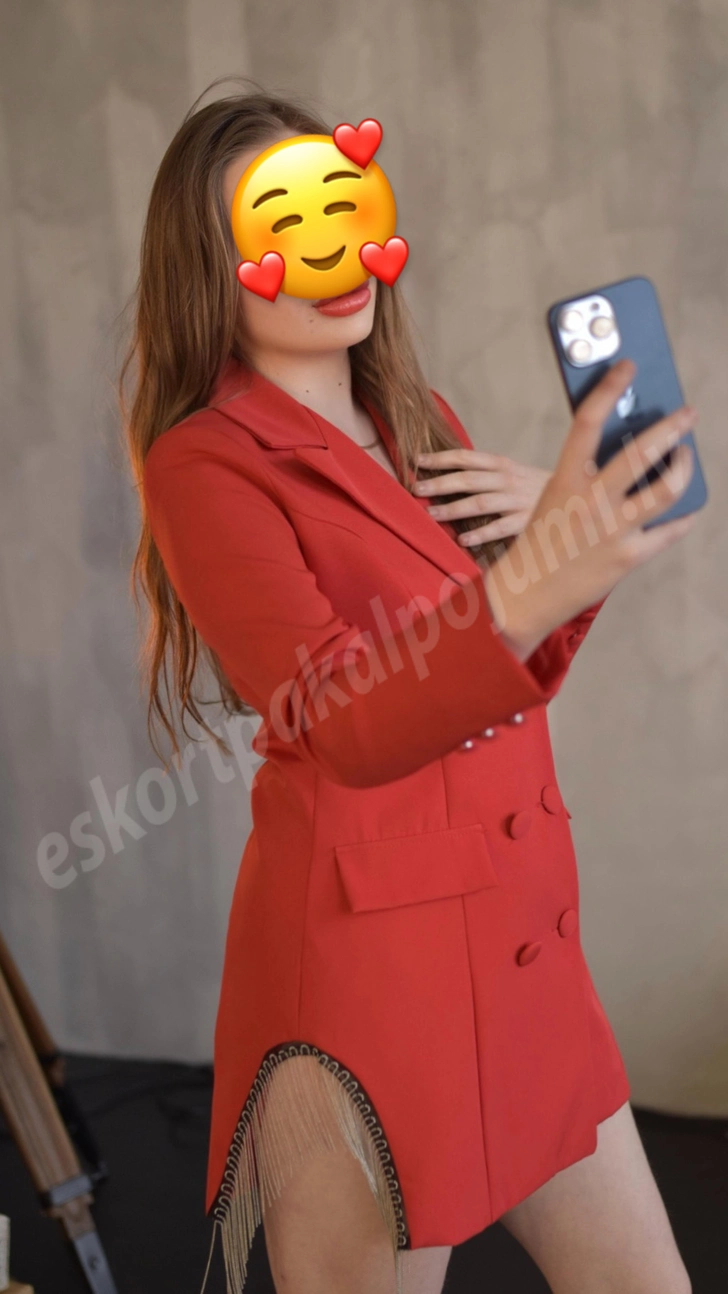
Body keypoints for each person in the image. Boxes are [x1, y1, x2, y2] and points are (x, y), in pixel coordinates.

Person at [121, 87, 697, 1294]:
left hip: (522, 953)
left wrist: (569, 547)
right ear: (213, 269)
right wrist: (534, 574)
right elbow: (338, 715)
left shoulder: (415, 416)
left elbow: (493, 684)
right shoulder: (202, 462)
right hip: (368, 1002)